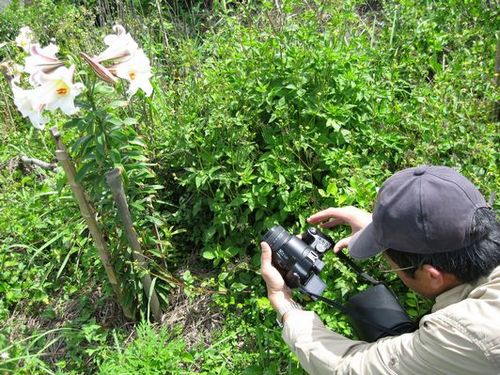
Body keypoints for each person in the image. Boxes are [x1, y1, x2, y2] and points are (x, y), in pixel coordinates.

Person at [260, 165, 500, 374]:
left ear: (432, 276)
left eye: (392, 266)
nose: (391, 267)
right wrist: (384, 226)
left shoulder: (461, 335)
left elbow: (349, 368)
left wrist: (284, 303)